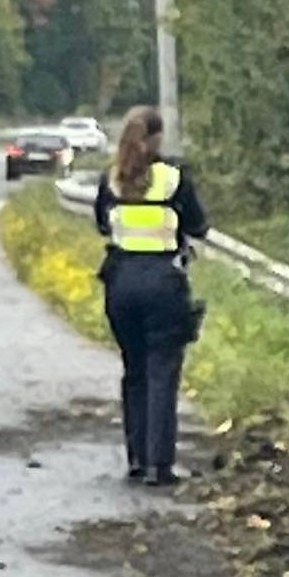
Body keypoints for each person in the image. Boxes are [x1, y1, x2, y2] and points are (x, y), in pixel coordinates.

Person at [92, 107, 208, 487]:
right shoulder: (173, 178)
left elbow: (101, 224)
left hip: (121, 284)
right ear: (157, 139)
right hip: (163, 284)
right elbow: (198, 225)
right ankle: (160, 465)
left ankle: (137, 459)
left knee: (135, 371)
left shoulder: (112, 179)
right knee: (162, 372)